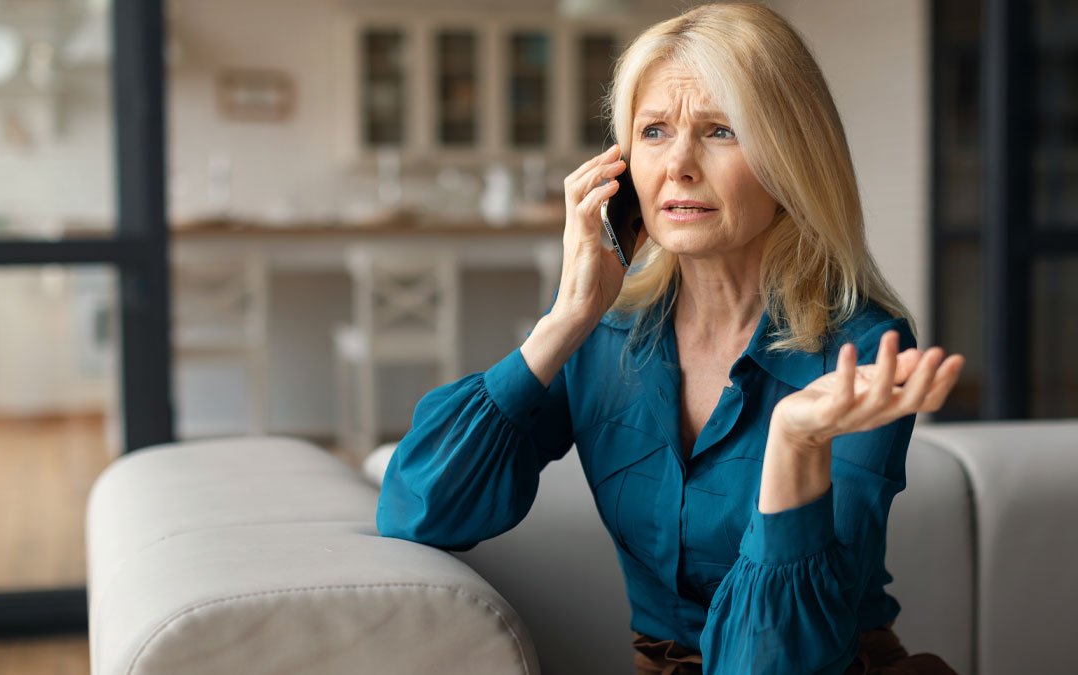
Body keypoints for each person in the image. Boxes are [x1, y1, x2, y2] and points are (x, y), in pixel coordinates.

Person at [377, 4, 965, 673]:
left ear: (792, 155)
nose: (679, 165)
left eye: (721, 130)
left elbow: (777, 658)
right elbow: (417, 506)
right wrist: (564, 320)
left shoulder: (859, 348)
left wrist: (793, 445)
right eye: (654, 130)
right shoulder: (603, 329)